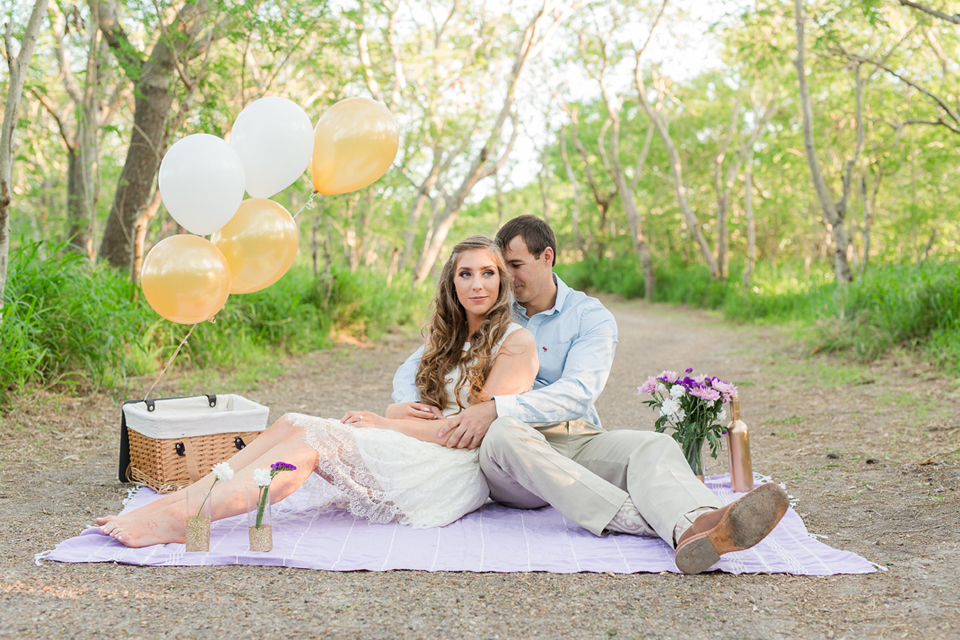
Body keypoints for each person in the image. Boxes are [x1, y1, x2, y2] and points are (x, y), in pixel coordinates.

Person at [391, 215, 788, 574]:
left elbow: (579, 393)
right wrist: (411, 402)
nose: (503, 279)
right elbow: (427, 356)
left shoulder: (590, 316)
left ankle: (698, 525)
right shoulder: (494, 306)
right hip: (506, 451)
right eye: (501, 269)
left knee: (651, 446)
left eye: (513, 266)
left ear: (546, 257)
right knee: (505, 431)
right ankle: (638, 520)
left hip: (571, 435)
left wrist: (497, 406)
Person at [97, 236, 538, 547]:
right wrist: (394, 411)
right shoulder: (448, 338)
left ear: (501, 281)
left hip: (451, 471)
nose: (477, 284)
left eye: (487, 273)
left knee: (310, 443)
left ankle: (186, 518)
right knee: (291, 421)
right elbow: (431, 413)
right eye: (466, 274)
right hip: (423, 446)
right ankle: (183, 498)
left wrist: (384, 423)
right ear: (452, 283)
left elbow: (469, 432)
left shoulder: (515, 343)